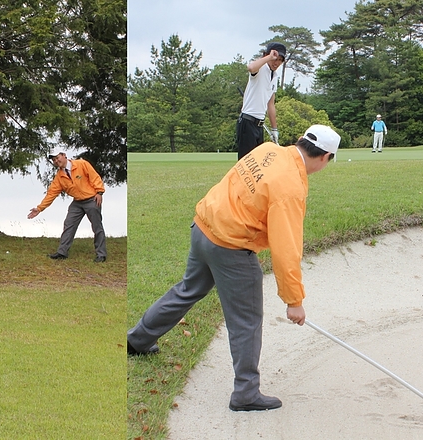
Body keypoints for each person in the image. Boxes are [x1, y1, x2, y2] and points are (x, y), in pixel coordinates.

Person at [127, 125, 341, 412]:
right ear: (326, 157)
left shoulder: (268, 150)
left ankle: (137, 339)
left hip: (204, 227)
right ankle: (246, 393)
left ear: (301, 140)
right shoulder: (291, 187)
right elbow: (286, 249)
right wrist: (294, 300)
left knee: (187, 290)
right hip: (231, 247)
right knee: (246, 320)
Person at [27, 147, 107, 262]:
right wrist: (39, 208)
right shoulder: (59, 177)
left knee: (97, 226)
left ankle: (101, 254)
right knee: (69, 224)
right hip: (77, 202)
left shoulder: (82, 164)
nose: (56, 161)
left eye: (57, 157)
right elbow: (51, 194)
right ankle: (62, 252)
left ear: (64, 155)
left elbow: (95, 177)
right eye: (53, 160)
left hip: (92, 199)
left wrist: (99, 192)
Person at [236, 42, 286, 159]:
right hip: (247, 122)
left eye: (280, 60)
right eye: (274, 59)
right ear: (266, 55)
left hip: (259, 125)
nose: (276, 63)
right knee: (247, 163)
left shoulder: (275, 76)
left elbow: (271, 104)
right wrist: (268, 57)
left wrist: (274, 129)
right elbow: (251, 67)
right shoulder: (260, 69)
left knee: (258, 164)